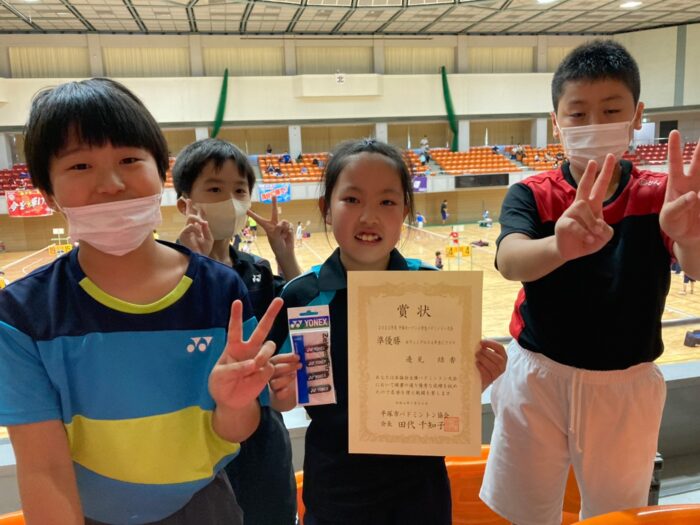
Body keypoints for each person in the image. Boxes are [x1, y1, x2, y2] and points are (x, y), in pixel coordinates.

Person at [0, 78, 295, 525]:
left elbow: (235, 430)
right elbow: (44, 470)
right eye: (80, 165)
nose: (111, 183)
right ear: (48, 194)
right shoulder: (23, 316)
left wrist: (235, 403)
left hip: (205, 505)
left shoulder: (221, 290)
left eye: (129, 159)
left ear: (161, 172)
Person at [480, 40, 700, 525]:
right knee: (525, 513)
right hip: (538, 375)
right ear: (556, 122)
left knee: (615, 515)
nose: (594, 124)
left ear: (637, 115)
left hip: (626, 384)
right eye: (578, 114)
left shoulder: (661, 194)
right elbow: (510, 259)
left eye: (611, 110)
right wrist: (560, 246)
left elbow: (695, 265)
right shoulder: (532, 193)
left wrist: (689, 237)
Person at [269, 139, 507, 525]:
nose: (369, 216)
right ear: (326, 208)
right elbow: (281, 397)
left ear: (404, 212)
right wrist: (279, 393)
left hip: (420, 490)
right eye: (352, 200)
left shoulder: (433, 288)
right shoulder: (302, 296)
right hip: (336, 489)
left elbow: (445, 390)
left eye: (387, 202)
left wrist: (472, 380)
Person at [172, 137, 303, 525]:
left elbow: (304, 319)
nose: (230, 201)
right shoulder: (168, 273)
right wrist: (193, 267)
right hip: (200, 441)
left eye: (240, 191)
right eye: (215, 189)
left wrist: (285, 255)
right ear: (185, 204)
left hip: (264, 441)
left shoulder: (257, 269)